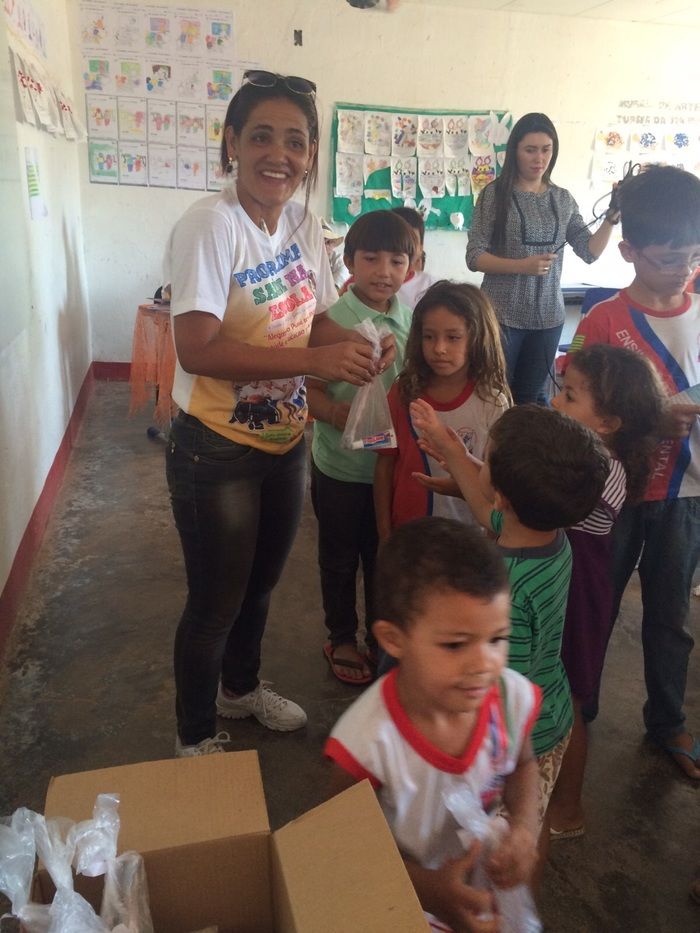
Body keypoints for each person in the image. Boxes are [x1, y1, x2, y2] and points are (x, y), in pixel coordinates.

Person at [163, 70, 396, 756]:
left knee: (260, 586)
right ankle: (195, 734)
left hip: (284, 441)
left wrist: (351, 346)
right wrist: (312, 364)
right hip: (216, 447)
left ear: (310, 154)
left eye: (295, 141)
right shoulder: (210, 225)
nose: (279, 154)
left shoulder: (299, 220)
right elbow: (197, 347)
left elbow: (315, 320)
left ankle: (240, 690)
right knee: (214, 603)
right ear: (231, 142)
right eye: (260, 135)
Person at [409, 402, 609, 883]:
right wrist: (452, 448)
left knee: (508, 835)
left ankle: (505, 901)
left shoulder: (505, 591)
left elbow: (493, 689)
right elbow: (487, 507)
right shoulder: (548, 536)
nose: (479, 461)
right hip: (554, 712)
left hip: (518, 742)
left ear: (501, 494)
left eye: (486, 457)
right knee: (531, 820)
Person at [325, 518, 541, 933]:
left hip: (479, 885)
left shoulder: (508, 699)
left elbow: (525, 764)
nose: (484, 664)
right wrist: (426, 889)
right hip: (397, 897)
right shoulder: (370, 740)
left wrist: (525, 828)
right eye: (455, 644)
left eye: (496, 638)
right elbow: (337, 837)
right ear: (394, 640)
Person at [565, 164, 700, 780]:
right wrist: (652, 420)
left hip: (684, 495)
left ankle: (668, 722)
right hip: (612, 496)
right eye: (667, 259)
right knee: (594, 601)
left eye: (693, 256)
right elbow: (576, 417)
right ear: (627, 252)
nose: (681, 270)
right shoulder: (603, 324)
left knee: (670, 615)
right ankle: (576, 707)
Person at [545, 345, 666, 838]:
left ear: (609, 422)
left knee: (569, 700)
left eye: (570, 397)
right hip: (566, 584)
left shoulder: (600, 471)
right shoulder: (588, 456)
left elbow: (520, 507)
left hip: (577, 597)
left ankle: (568, 810)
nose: (556, 404)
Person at [308, 211, 414, 685]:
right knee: (338, 555)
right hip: (338, 467)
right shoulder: (330, 321)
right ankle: (341, 635)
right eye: (371, 259)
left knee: (382, 556)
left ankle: (379, 636)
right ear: (349, 261)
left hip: (389, 473)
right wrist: (335, 415)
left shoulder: (410, 320)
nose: (383, 271)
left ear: (410, 268)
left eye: (396, 261)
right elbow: (303, 389)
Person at [465, 112, 619, 405]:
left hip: (548, 317)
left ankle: (527, 451)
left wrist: (612, 217)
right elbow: (474, 256)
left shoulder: (562, 199)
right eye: (530, 150)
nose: (539, 158)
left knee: (531, 397)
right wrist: (520, 266)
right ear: (515, 152)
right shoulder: (494, 195)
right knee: (494, 395)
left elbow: (590, 251)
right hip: (501, 315)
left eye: (546, 150)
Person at [374, 281, 509, 540]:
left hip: (470, 536)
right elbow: (384, 465)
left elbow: (498, 483)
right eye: (429, 336)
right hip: (409, 534)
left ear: (477, 338)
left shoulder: (493, 403)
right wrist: (384, 534)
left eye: (453, 337)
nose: (439, 348)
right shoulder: (403, 393)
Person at [392, 206, 437, 308]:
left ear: (421, 248)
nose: (403, 248)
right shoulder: (360, 284)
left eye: (412, 241)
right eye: (396, 240)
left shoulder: (432, 288)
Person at [321, 218, 349, 290]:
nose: (325, 246)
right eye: (321, 242)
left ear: (333, 245)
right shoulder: (305, 259)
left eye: (328, 242)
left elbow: (334, 290)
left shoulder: (340, 261)